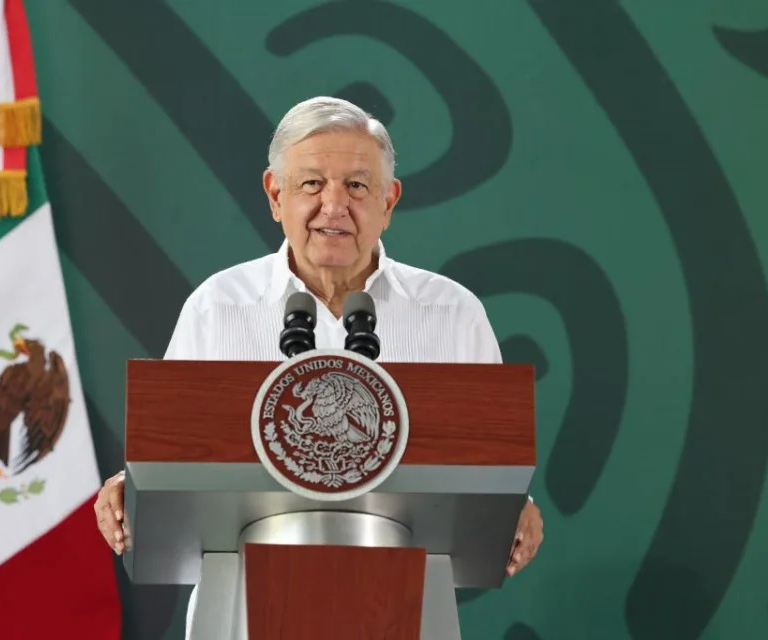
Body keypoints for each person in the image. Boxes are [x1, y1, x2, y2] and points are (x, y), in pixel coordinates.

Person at [94, 97, 544, 580]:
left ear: (389, 201)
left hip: (402, 602)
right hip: (242, 606)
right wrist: (131, 489)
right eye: (312, 184)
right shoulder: (218, 306)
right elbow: (173, 459)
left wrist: (517, 508)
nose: (334, 206)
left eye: (356, 186)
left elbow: (486, 466)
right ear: (274, 194)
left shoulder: (452, 313)